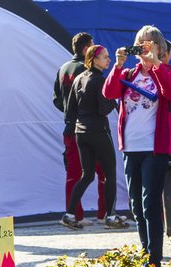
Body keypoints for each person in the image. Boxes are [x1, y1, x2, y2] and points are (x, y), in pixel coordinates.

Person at [104, 26, 171, 267]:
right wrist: (117, 65)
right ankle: (145, 253)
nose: (144, 49)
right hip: (131, 148)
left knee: (150, 204)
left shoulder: (167, 71)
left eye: (149, 44)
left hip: (154, 148)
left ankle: (154, 261)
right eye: (141, 44)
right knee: (136, 205)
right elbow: (109, 92)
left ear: (159, 48)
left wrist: (156, 64)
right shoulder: (129, 72)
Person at [62, 45, 127, 230]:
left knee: (87, 175)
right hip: (98, 130)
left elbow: (70, 110)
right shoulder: (100, 80)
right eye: (105, 57)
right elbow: (104, 108)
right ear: (94, 60)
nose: (108, 60)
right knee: (110, 174)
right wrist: (115, 98)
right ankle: (111, 216)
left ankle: (69, 213)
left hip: (80, 132)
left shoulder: (78, 79)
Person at [54, 32, 106, 226]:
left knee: (73, 173)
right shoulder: (88, 71)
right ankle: (104, 214)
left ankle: (75, 214)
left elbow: (57, 100)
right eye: (92, 47)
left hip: (70, 128)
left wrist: (69, 112)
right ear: (86, 49)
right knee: (104, 171)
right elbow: (98, 101)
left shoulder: (63, 68)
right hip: (90, 128)